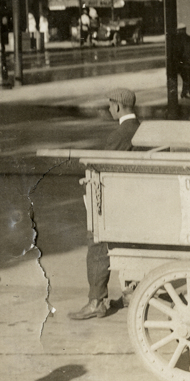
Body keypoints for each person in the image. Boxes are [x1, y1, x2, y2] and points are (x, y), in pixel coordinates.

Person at [68, 88, 141, 320]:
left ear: (117, 106)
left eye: (110, 105)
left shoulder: (119, 135)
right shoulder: (142, 129)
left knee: (96, 239)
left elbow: (105, 171)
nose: (109, 109)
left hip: (122, 204)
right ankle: (132, 291)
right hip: (141, 203)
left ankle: (96, 301)